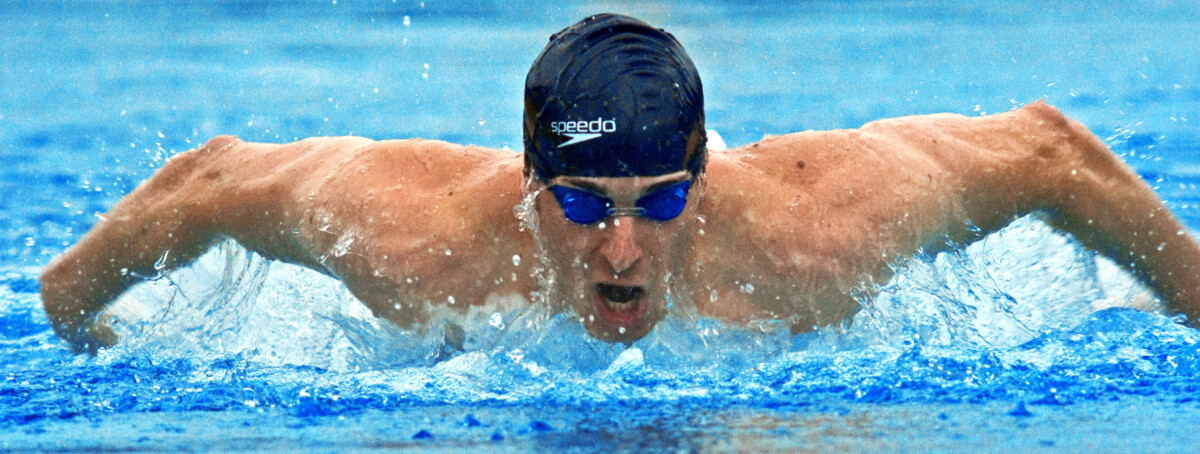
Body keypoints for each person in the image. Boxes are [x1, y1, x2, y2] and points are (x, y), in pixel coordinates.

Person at [40, 14, 1200, 354]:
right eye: (586, 205)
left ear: (703, 172)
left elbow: (1050, 152)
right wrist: (77, 319)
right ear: (530, 181)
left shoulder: (816, 233)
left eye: (661, 202)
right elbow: (209, 181)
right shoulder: (410, 238)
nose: (623, 251)